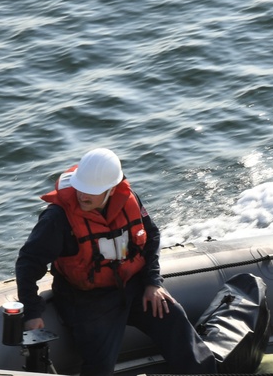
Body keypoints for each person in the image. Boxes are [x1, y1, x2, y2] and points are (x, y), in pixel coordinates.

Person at [15, 148, 216, 376]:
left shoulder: (129, 199)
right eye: (80, 188)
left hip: (133, 286)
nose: (82, 196)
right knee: (99, 362)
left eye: (91, 191)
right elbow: (28, 263)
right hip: (86, 300)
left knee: (173, 317)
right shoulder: (57, 219)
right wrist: (31, 313)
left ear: (111, 190)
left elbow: (151, 236)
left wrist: (153, 282)